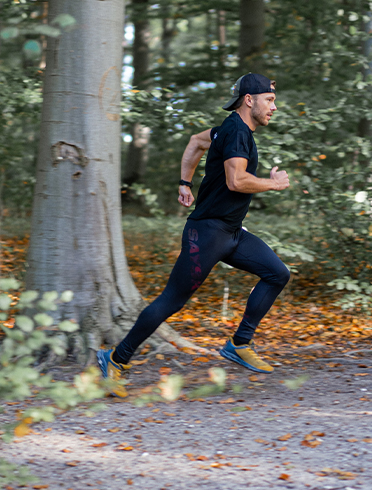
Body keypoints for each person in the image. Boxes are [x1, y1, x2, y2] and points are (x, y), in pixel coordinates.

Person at [97, 73, 290, 397]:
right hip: (208, 233)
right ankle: (115, 359)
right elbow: (237, 181)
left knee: (277, 273)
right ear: (249, 100)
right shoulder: (237, 132)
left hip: (231, 232)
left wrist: (185, 183)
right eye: (269, 100)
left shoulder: (227, 129)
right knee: (172, 300)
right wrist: (273, 183)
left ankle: (239, 343)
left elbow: (197, 142)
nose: (274, 107)